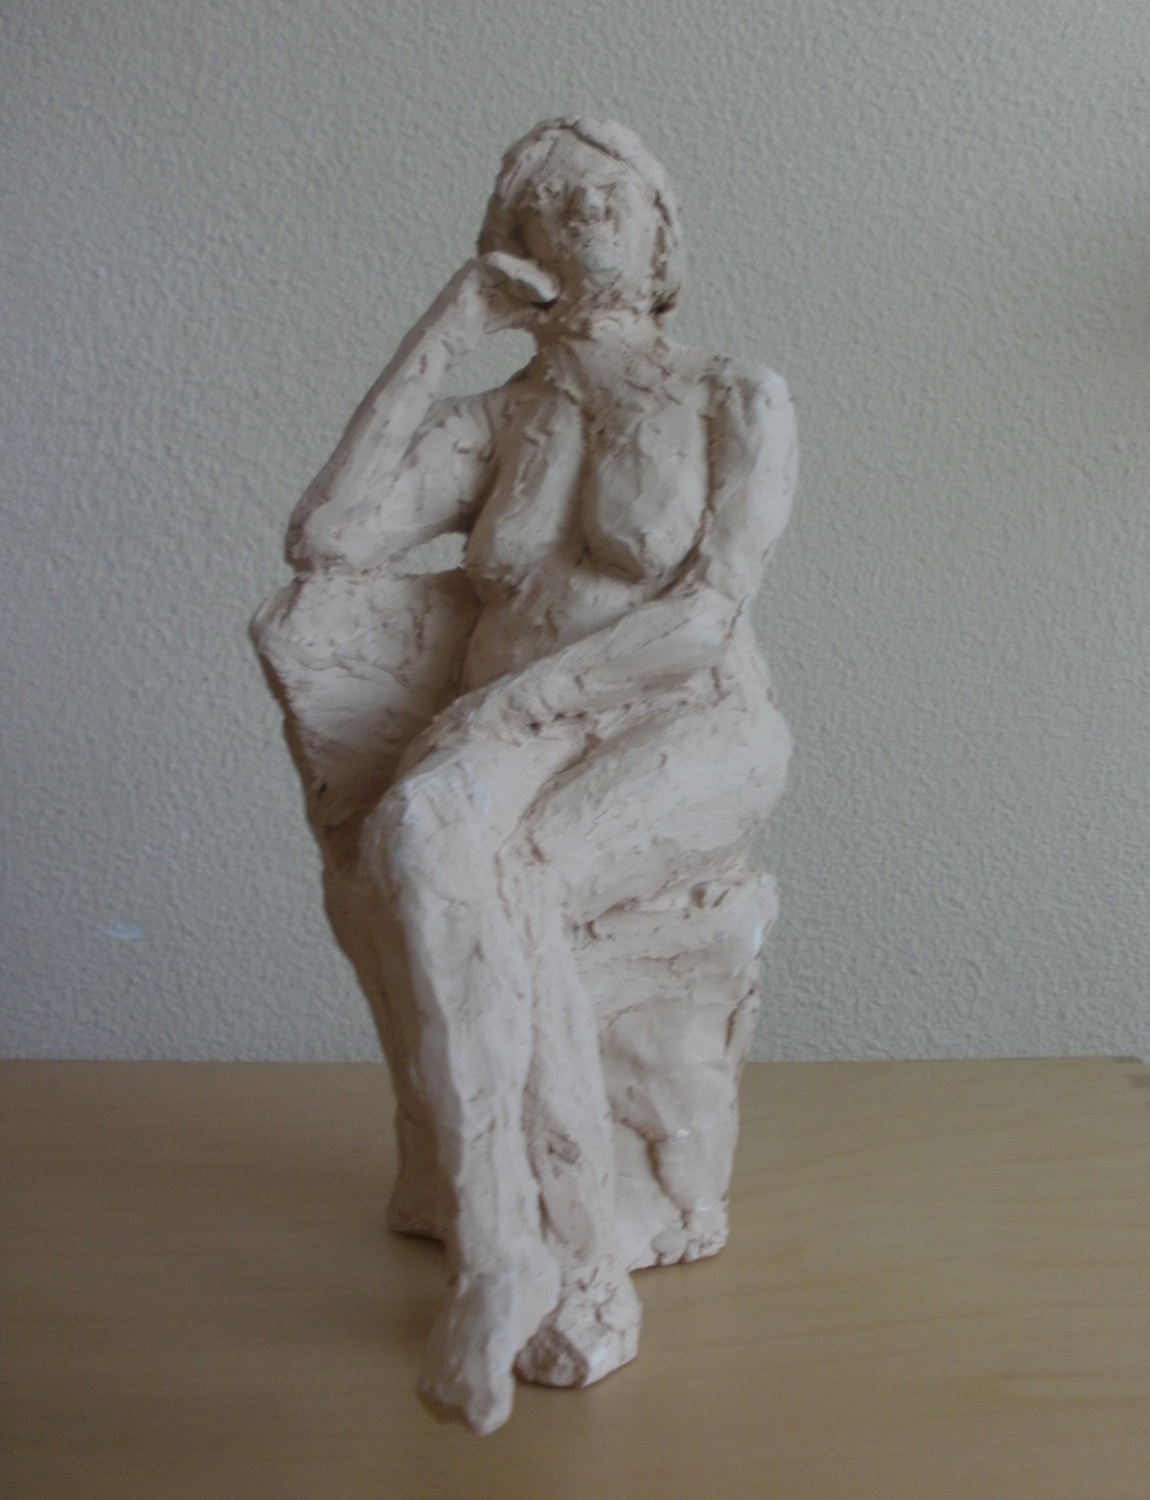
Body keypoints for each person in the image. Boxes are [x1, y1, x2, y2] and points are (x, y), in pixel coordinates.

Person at [260, 118, 796, 1433]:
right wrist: (447, 328)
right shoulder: (501, 418)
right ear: (519, 242)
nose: (582, 212)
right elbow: (328, 537)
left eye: (611, 192)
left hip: (676, 723)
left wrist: (507, 706)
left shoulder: (730, 395)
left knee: (520, 871)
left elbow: (706, 613)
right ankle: (501, 1256)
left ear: (662, 236)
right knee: (412, 837)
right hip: (512, 731)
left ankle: (582, 1261)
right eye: (550, 199)